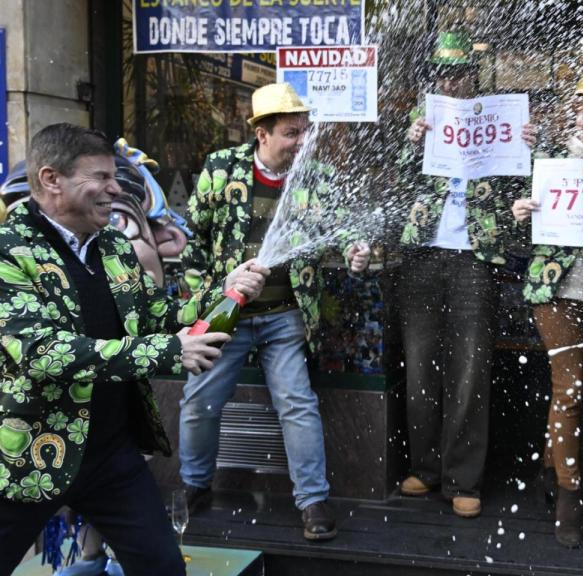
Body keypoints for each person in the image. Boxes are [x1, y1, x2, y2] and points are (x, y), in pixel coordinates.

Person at [0, 123, 268, 575]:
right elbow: (42, 352)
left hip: (111, 456)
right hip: (26, 458)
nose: (114, 189)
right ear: (51, 179)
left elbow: (158, 313)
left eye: (115, 177)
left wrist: (226, 292)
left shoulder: (112, 246)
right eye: (100, 177)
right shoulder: (9, 251)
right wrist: (167, 352)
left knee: (163, 567)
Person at [177, 82, 370, 542]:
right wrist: (209, 298)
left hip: (286, 316)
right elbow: (194, 243)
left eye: (305, 131)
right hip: (227, 316)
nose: (302, 141)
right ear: (261, 134)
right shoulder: (222, 169)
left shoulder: (316, 176)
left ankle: (313, 501)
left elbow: (342, 231)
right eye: (290, 133)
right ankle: (193, 485)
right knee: (198, 404)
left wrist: (357, 251)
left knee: (298, 404)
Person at [398, 30, 535, 518]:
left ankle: (463, 478)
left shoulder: (495, 120)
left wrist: (529, 146)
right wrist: (410, 142)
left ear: (472, 79)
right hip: (421, 255)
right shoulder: (421, 121)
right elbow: (395, 178)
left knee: (470, 368)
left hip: (476, 257)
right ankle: (426, 467)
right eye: (442, 74)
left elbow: (524, 180)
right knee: (420, 364)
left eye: (458, 74)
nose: (450, 82)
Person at [510, 69, 583, 547]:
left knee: (569, 394)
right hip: (553, 295)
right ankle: (569, 496)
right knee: (570, 391)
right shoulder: (544, 159)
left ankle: (547, 468)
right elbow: (507, 220)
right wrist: (519, 213)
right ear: (572, 115)